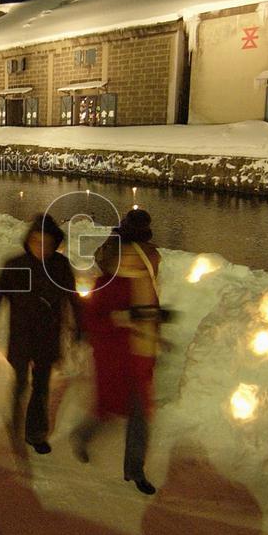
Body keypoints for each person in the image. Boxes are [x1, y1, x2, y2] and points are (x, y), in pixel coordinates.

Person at [72, 208, 162, 495]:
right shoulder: (108, 284)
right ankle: (83, 436)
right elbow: (95, 319)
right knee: (109, 409)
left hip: (140, 354)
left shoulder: (145, 282)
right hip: (115, 356)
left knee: (139, 415)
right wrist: (123, 318)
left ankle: (134, 470)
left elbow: (149, 312)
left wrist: (154, 327)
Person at [0, 214, 79, 455]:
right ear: (29, 241)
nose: (41, 248)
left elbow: (73, 299)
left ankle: (35, 433)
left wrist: (80, 328)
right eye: (36, 241)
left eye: (46, 243)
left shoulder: (60, 266)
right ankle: (14, 414)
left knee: (42, 386)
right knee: (21, 381)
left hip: (48, 334)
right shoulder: (15, 265)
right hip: (22, 334)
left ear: (55, 244)